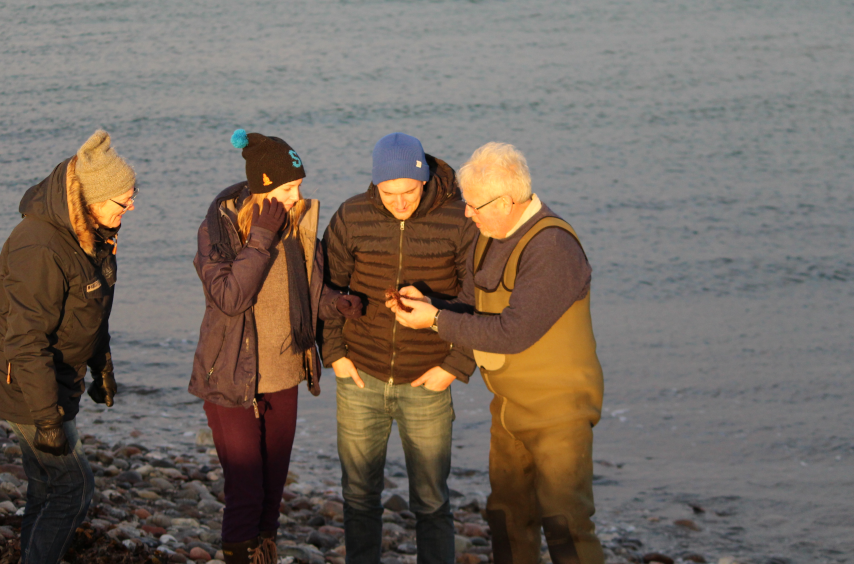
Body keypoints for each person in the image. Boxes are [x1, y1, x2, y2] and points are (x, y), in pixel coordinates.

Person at [389, 142, 606, 564]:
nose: (467, 214)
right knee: (506, 517)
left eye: (474, 205)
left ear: (506, 201)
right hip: (508, 408)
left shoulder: (552, 248)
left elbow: (512, 333)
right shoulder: (491, 235)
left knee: (566, 524)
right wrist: (428, 303)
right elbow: (473, 305)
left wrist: (434, 320)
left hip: (559, 412)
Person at [190, 129, 361, 564]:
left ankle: (264, 553)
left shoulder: (299, 225)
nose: (296, 196)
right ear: (263, 187)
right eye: (287, 188)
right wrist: (261, 238)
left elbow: (307, 293)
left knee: (271, 491)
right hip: (232, 380)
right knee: (246, 492)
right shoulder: (218, 231)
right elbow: (229, 297)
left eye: (298, 186)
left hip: (285, 376)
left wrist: (337, 304)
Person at [0, 130, 136, 564]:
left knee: (46, 485)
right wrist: (46, 418)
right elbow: (26, 341)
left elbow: (91, 311)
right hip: (25, 384)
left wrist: (102, 369)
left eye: (132, 194)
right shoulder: (40, 246)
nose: (131, 205)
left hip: (54, 378)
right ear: (91, 200)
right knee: (74, 488)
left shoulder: (94, 234)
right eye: (123, 200)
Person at [321, 132, 477, 564]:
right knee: (358, 498)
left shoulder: (459, 218)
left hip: (428, 378)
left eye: (408, 191)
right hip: (360, 375)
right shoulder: (351, 215)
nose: (400, 201)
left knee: (431, 502)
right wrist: (334, 354)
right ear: (376, 185)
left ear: (424, 179)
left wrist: (455, 364)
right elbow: (326, 289)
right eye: (389, 193)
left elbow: (479, 295)